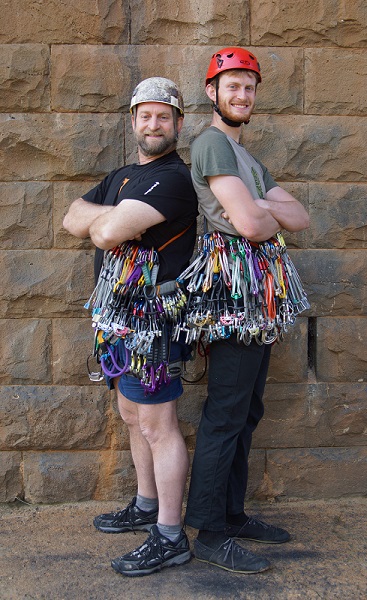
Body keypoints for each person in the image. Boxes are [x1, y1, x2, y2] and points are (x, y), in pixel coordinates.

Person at [63, 77, 198, 577]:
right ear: (134, 121)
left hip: (154, 321)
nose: (153, 124)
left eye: (164, 116)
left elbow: (106, 234)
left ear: (178, 124)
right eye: (145, 115)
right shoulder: (122, 176)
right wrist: (110, 219)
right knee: (130, 414)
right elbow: (72, 219)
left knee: (159, 425)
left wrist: (107, 223)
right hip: (116, 319)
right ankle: (145, 504)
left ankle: (169, 535)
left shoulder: (176, 179)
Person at [184, 47, 310, 574]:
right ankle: (211, 532)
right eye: (231, 85)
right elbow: (255, 226)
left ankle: (233, 514)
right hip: (231, 291)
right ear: (212, 92)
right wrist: (262, 212)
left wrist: (261, 210)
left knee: (248, 409)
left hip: (258, 292)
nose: (242, 94)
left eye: (249, 86)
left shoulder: (248, 157)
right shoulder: (212, 144)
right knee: (227, 410)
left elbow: (298, 215)